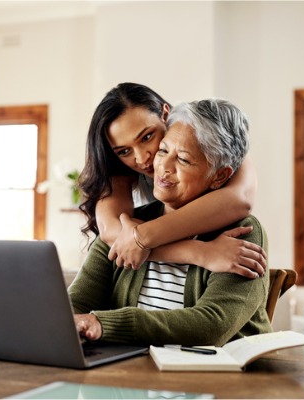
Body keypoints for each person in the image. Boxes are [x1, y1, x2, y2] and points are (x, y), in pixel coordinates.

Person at [69, 99, 272, 346]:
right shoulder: (129, 225)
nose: (161, 166)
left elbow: (211, 326)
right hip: (134, 375)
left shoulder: (244, 232)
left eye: (184, 160)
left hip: (219, 378)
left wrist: (104, 324)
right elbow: (76, 302)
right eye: (163, 151)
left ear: (219, 176)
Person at [78, 83, 266, 277]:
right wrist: (200, 253)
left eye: (147, 137)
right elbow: (112, 232)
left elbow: (239, 199)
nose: (142, 159)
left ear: (165, 115)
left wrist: (142, 237)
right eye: (124, 151)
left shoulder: (213, 140)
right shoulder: (119, 170)